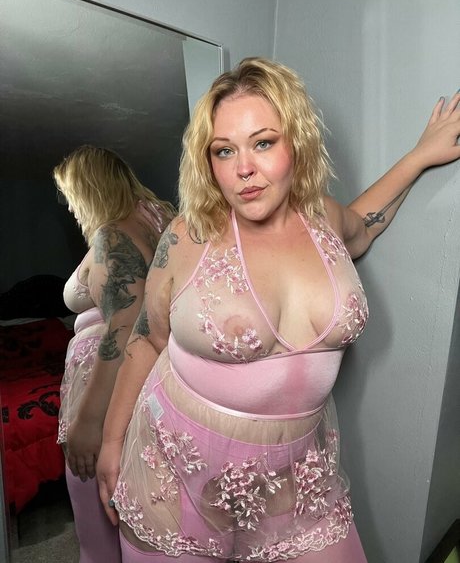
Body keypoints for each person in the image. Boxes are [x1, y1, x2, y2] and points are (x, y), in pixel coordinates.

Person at [96, 58, 460, 563]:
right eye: (224, 151)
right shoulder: (187, 236)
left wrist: (420, 156)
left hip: (295, 476)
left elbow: (363, 223)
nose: (243, 168)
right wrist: (110, 441)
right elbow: (147, 340)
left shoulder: (322, 218)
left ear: (297, 143)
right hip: (178, 472)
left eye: (263, 143)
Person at [53, 145, 176, 563]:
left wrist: (90, 423)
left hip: (105, 390)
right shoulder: (157, 219)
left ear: (87, 189)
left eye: (70, 195)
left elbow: (123, 329)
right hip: (144, 382)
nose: (70, 207)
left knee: (97, 529)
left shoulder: (113, 237)